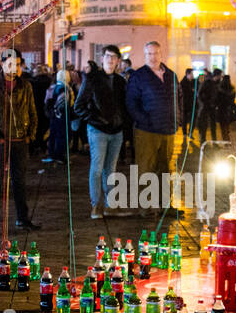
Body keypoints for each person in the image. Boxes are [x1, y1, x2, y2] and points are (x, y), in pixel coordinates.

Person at [0, 48, 39, 234]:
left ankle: (22, 218)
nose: (14, 68)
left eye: (18, 64)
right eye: (10, 63)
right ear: (2, 64)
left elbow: (32, 113)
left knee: (20, 182)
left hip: (20, 140)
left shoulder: (25, 86)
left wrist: (31, 134)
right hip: (1, 142)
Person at [125, 40, 182, 217]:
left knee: (166, 169)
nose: (153, 57)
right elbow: (131, 102)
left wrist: (178, 120)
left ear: (160, 54)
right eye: (149, 54)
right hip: (147, 130)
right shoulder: (139, 76)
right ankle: (146, 206)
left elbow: (180, 99)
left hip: (167, 129)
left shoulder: (171, 75)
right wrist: (144, 120)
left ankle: (166, 205)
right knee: (146, 168)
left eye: (155, 53)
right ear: (145, 55)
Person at [74, 45, 127, 219]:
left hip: (116, 131)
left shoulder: (120, 81)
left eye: (114, 57)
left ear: (118, 61)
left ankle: (111, 205)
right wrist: (96, 119)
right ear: (102, 58)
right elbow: (79, 106)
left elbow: (123, 105)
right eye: (107, 56)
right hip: (98, 131)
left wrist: (122, 123)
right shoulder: (92, 79)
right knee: (96, 168)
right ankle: (96, 205)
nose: (110, 60)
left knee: (110, 169)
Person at [45, 68, 74, 164]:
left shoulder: (53, 87)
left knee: (53, 134)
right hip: (61, 115)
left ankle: (52, 154)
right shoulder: (65, 89)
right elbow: (64, 104)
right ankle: (59, 155)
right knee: (62, 136)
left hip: (53, 115)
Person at [179, 67, 196, 143]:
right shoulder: (182, 83)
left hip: (193, 104)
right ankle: (185, 134)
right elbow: (181, 95)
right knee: (184, 120)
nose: (193, 75)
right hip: (185, 105)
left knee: (193, 119)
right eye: (191, 74)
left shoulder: (194, 82)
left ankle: (190, 133)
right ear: (187, 74)